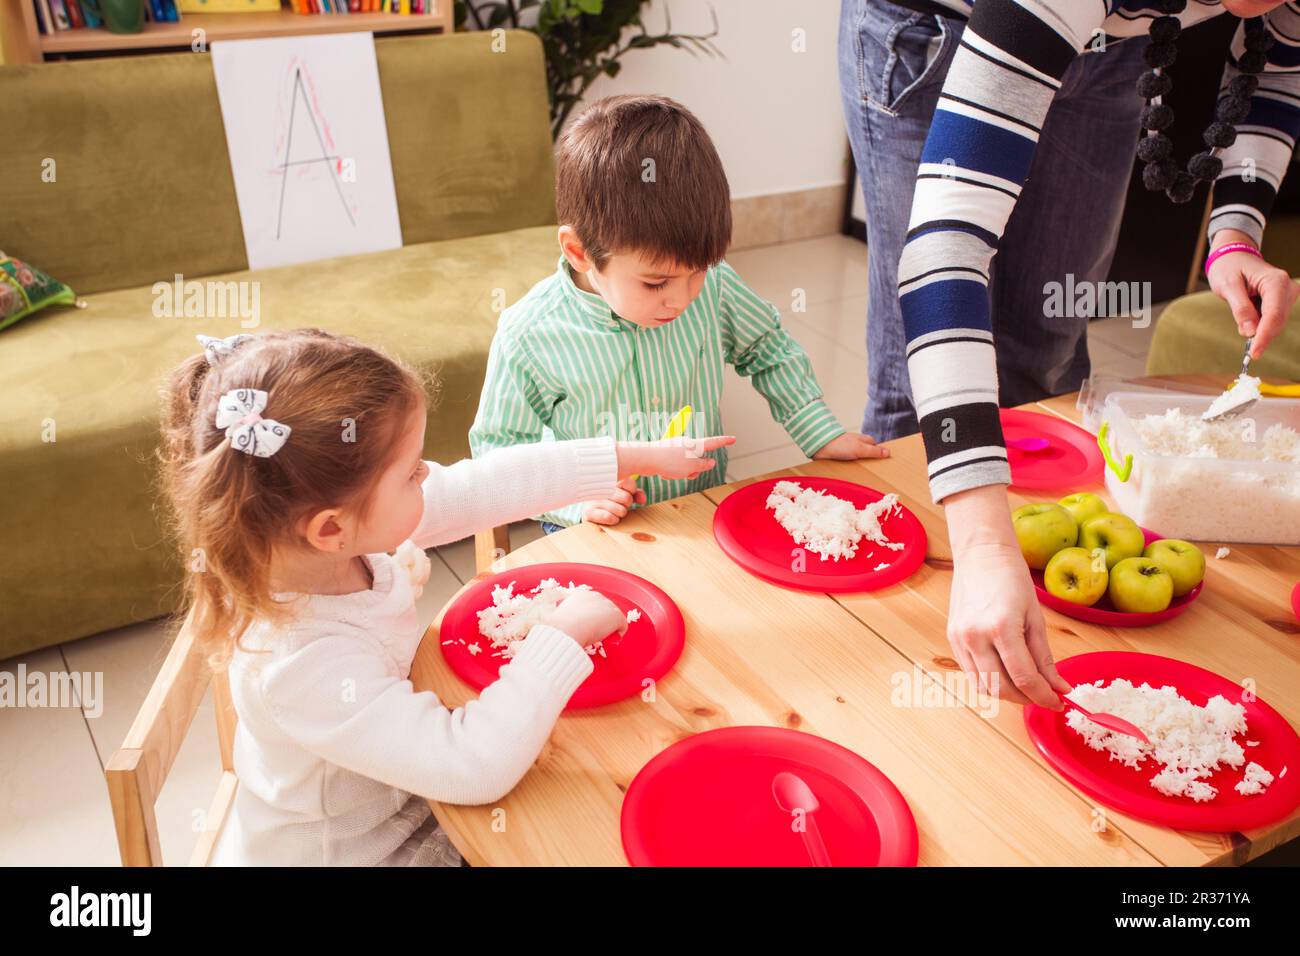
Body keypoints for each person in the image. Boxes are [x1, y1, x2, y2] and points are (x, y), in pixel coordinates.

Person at [839, 0, 1300, 705]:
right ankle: (908, 646)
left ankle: (1005, 614)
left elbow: (1279, 68)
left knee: (1045, 349)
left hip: (1113, 52)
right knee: (914, 378)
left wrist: (1235, 230)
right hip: (935, 27)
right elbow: (944, 255)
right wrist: (987, 546)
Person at [159, 328, 732, 865]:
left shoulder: (330, 542)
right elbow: (473, 767)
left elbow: (483, 486)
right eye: (411, 473)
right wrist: (561, 636)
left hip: (408, 787)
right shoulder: (299, 663)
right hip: (369, 850)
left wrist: (632, 456)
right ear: (330, 528)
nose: (430, 475)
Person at [471, 94, 887, 533]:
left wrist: (816, 428)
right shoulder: (528, 335)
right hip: (593, 527)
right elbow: (498, 450)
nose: (683, 298)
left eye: (698, 272)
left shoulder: (716, 286)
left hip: (702, 506)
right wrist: (574, 501)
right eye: (655, 283)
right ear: (579, 252)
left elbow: (766, 346)